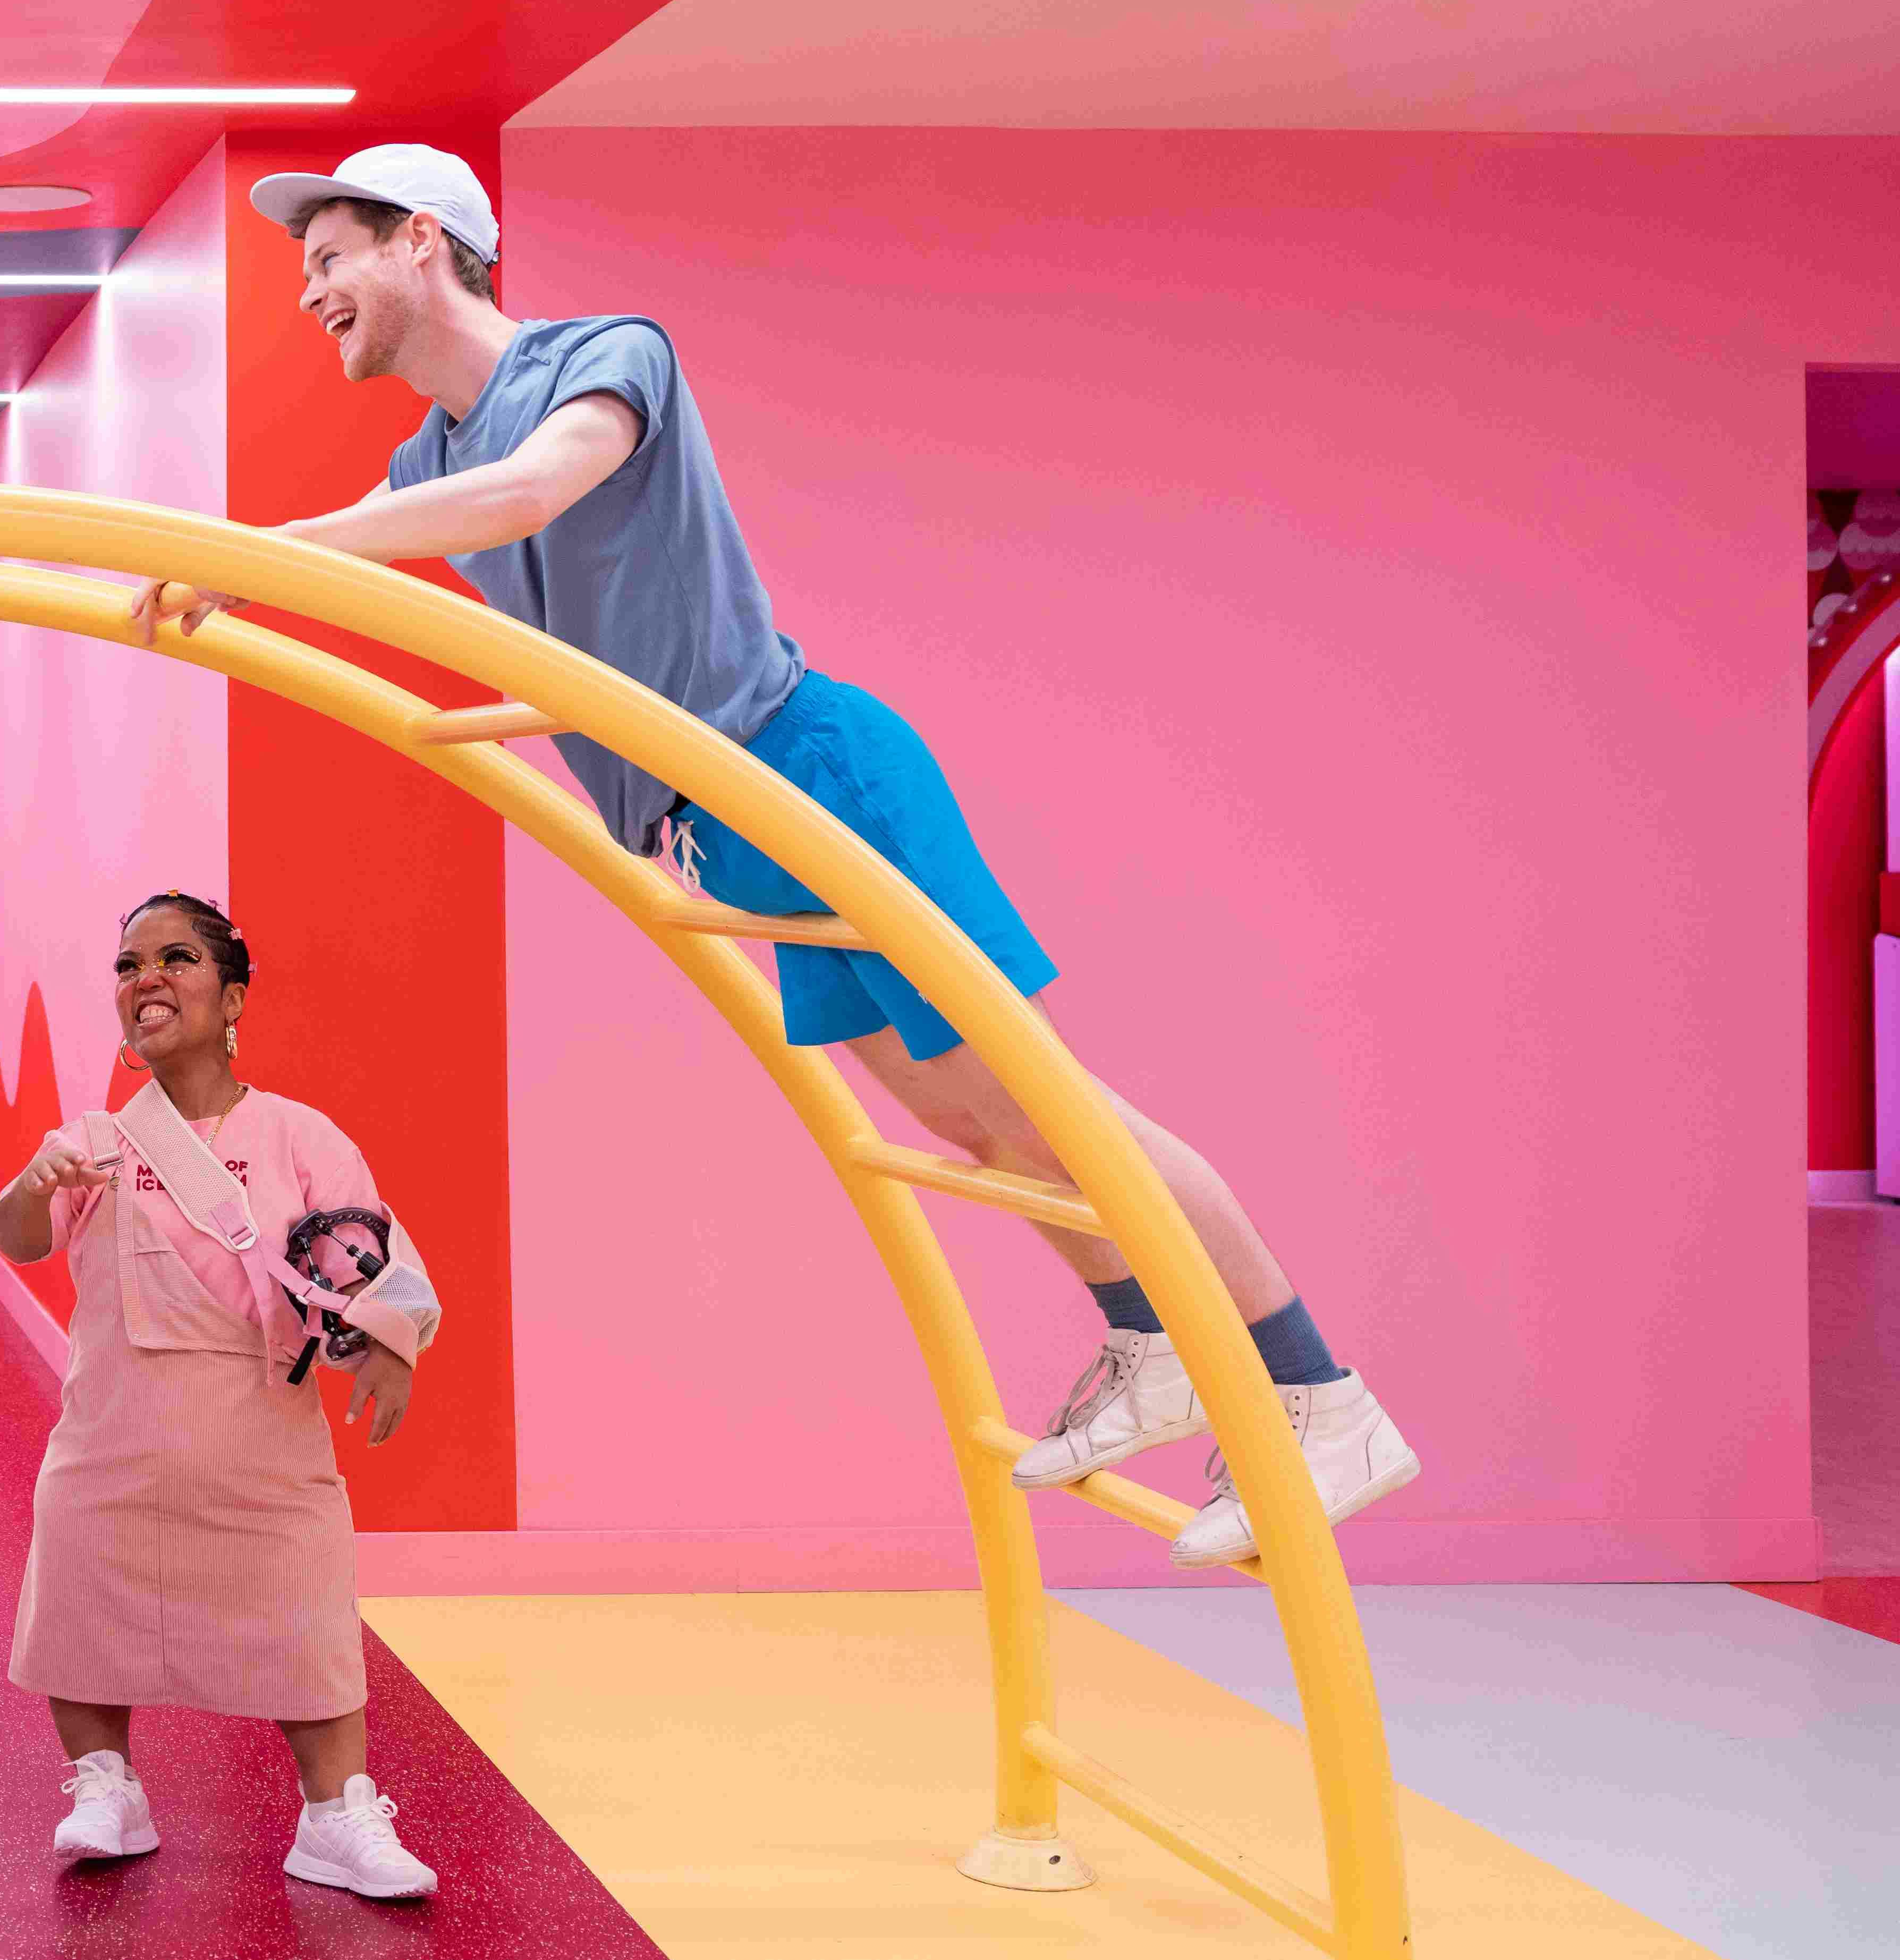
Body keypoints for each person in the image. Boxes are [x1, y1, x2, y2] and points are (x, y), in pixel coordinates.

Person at [148, 145, 1416, 1568]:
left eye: (329, 257)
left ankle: (1319, 1395)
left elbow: (535, 495)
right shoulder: (421, 464)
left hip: (812, 774)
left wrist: (265, 553)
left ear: (424, 243)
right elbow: (537, 603)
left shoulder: (602, 359)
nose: (309, 292)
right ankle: (1150, 1346)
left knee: (1058, 1106)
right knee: (970, 1122)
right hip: (723, 834)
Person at [0, 892, 442, 1897]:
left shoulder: (298, 1133)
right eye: (127, 963)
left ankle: (336, 1814)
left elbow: (374, 1252)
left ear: (231, 993)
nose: (145, 975)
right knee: (85, 1598)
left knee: (306, 1614)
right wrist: (37, 1177)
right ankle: (105, 1784)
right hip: (110, 1432)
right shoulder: (97, 1138)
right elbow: (19, 1236)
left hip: (259, 1441)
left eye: (177, 956)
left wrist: (392, 1347)